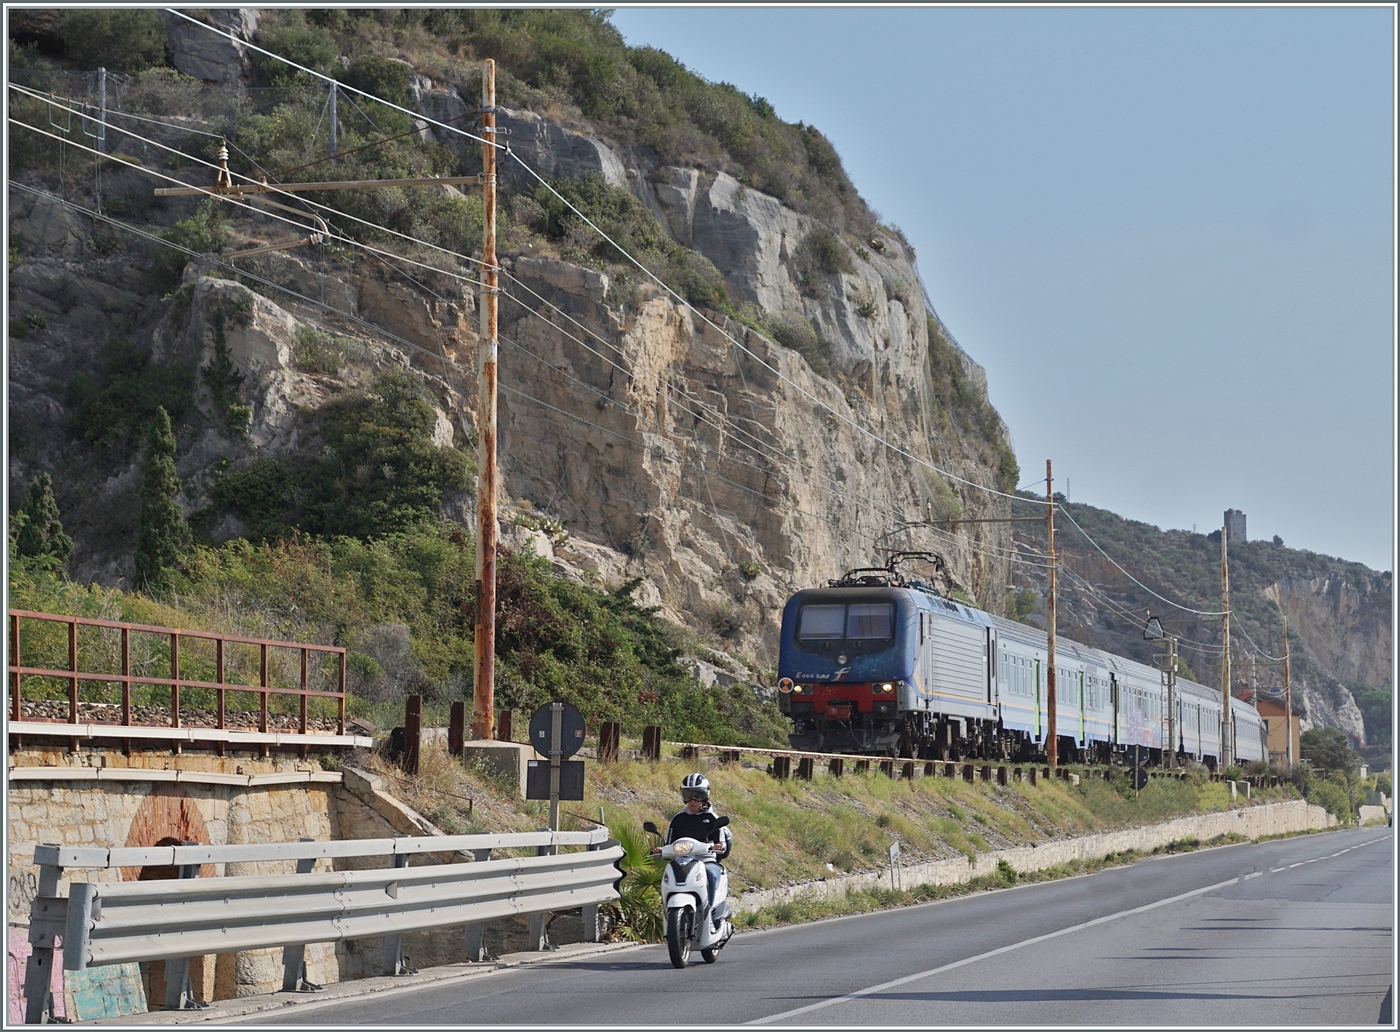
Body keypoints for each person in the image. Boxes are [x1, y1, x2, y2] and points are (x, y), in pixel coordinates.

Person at [654, 773, 731, 917]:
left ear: (706, 795)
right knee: (668, 875)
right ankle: (667, 911)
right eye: (688, 795)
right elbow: (669, 842)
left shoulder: (712, 818)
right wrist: (661, 849)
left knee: (711, 874)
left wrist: (719, 846)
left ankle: (711, 910)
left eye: (698, 795)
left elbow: (721, 841)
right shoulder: (678, 819)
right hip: (682, 860)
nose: (692, 800)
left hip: (706, 859)